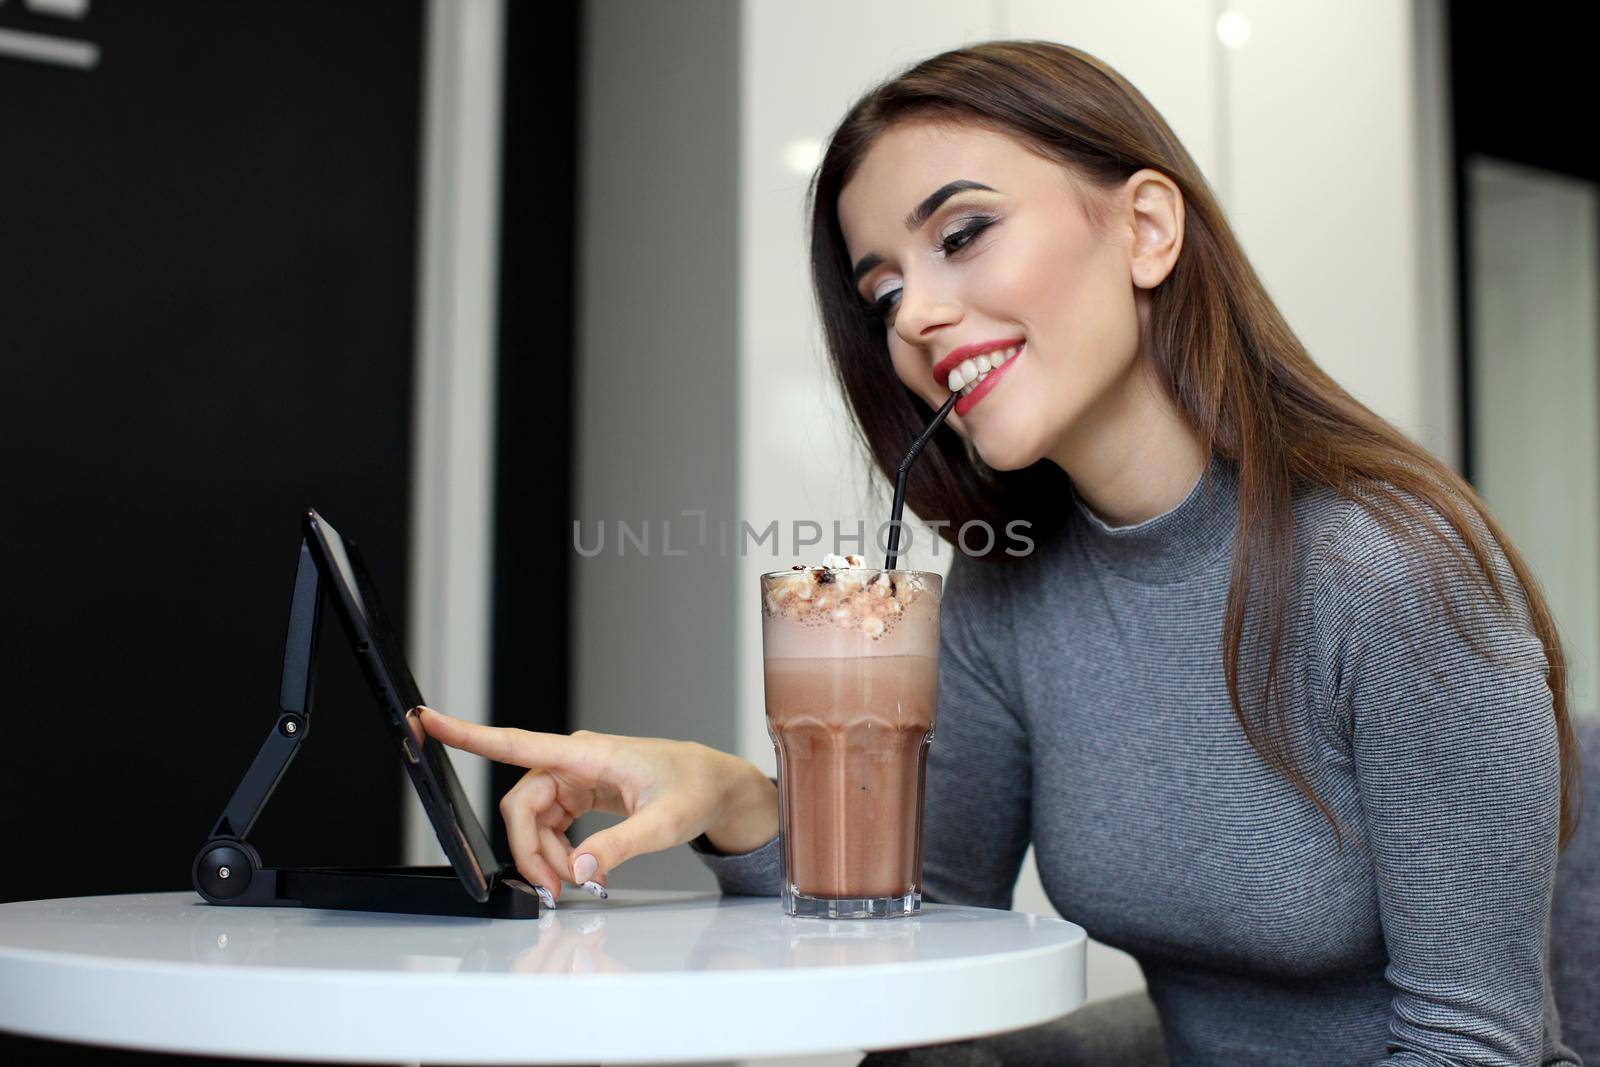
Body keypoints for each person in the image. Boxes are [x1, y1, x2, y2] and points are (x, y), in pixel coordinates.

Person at [418, 40, 1582, 1066]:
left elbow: (1473, 1043)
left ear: (1144, 228)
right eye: (882, 293)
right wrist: (731, 796)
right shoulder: (1010, 579)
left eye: (961, 234)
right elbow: (913, 920)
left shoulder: (1388, 570)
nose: (913, 319)